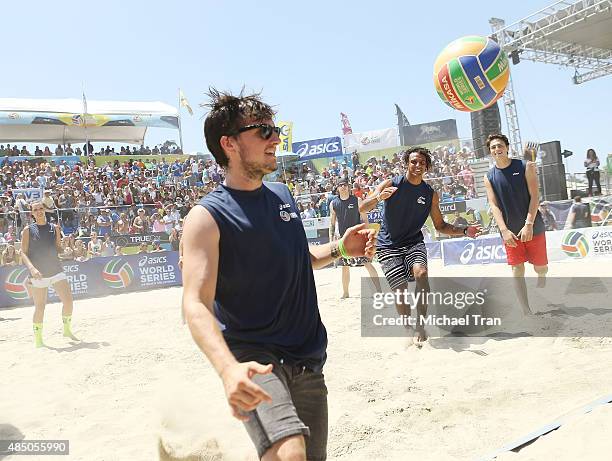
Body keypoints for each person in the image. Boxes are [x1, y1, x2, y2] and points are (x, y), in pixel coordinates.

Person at [181, 89, 375, 461]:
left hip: (308, 358)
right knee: (289, 453)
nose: (276, 138)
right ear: (229, 144)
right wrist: (227, 371)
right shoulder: (206, 218)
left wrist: (339, 249)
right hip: (255, 358)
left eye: (275, 130)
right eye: (263, 131)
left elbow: (297, 259)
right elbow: (195, 303)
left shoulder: (283, 195)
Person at [360, 147, 481, 345]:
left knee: (421, 274)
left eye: (422, 162)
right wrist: (378, 197)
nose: (418, 165)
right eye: (414, 161)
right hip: (387, 245)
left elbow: (441, 226)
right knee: (400, 292)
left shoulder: (430, 194)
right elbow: (363, 207)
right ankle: (408, 328)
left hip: (413, 243)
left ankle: (420, 325)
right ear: (407, 163)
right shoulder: (391, 184)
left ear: (427, 167)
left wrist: (465, 231)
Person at [483, 134, 548, 315]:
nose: (497, 149)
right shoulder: (489, 177)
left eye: (500, 145)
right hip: (510, 232)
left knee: (540, 267)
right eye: (493, 147)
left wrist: (529, 224)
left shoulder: (525, 166)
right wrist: (503, 230)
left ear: (507, 147)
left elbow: (535, 197)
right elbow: (494, 205)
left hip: (533, 227)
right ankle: (526, 310)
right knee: (517, 269)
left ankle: (541, 275)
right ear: (490, 151)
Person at [18, 200, 77, 347]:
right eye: (35, 209)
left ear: (45, 210)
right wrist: (32, 269)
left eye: (41, 208)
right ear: (32, 213)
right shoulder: (27, 230)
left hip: (56, 270)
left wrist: (65, 250)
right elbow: (23, 253)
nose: (39, 211)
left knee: (68, 302)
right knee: (40, 307)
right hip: (38, 273)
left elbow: (58, 249)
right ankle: (38, 340)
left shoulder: (54, 228)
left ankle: (67, 330)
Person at [329, 178, 382, 298]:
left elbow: (365, 219)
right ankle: (346, 293)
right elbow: (332, 224)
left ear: (348, 187)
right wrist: (331, 238)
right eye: (340, 185)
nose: (343, 187)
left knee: (367, 264)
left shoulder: (357, 200)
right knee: (345, 266)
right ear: (337, 188)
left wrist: (369, 235)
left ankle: (379, 290)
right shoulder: (333, 204)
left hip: (359, 238)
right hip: (343, 240)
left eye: (345, 185)